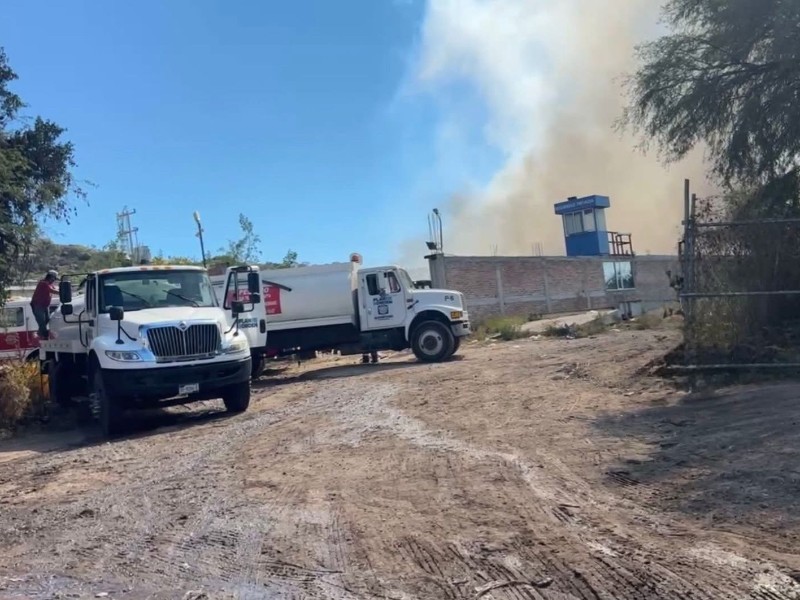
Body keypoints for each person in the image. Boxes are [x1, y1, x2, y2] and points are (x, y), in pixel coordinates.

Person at [31, 270, 59, 339]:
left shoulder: (50, 284)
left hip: (45, 306)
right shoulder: (43, 283)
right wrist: (63, 292)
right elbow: (52, 291)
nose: (54, 280)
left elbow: (55, 289)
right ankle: (45, 337)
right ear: (51, 277)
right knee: (42, 322)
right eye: (54, 278)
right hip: (38, 305)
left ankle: (38, 334)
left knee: (47, 319)